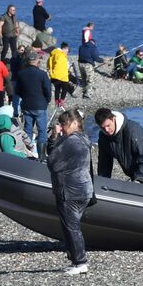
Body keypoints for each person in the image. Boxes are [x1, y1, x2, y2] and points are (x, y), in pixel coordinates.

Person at [46, 108, 94, 275]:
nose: (63, 128)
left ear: (75, 123)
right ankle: (75, 260)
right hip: (83, 188)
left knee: (71, 226)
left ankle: (80, 262)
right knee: (72, 225)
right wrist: (55, 138)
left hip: (71, 190)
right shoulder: (83, 138)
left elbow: (52, 161)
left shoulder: (71, 141)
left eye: (64, 124)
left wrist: (55, 138)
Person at [94, 109, 143, 183]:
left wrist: (139, 179)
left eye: (108, 125)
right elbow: (104, 162)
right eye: (103, 128)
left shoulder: (132, 130)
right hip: (133, 163)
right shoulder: (103, 137)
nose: (106, 130)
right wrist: (102, 181)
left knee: (141, 187)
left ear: (113, 119)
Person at [16, 51, 53, 162]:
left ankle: (28, 153)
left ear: (27, 61)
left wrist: (25, 98)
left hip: (27, 104)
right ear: (37, 61)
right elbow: (48, 89)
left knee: (28, 129)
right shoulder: (42, 74)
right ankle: (41, 156)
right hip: (40, 105)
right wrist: (47, 100)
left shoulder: (21, 74)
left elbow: (18, 90)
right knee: (42, 130)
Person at [47, 42, 74, 107]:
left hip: (54, 75)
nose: (67, 52)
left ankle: (57, 101)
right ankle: (62, 101)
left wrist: (51, 72)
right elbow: (60, 65)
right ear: (64, 49)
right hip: (62, 76)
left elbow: (48, 64)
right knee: (65, 88)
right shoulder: (61, 55)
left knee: (57, 89)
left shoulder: (53, 54)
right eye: (67, 50)